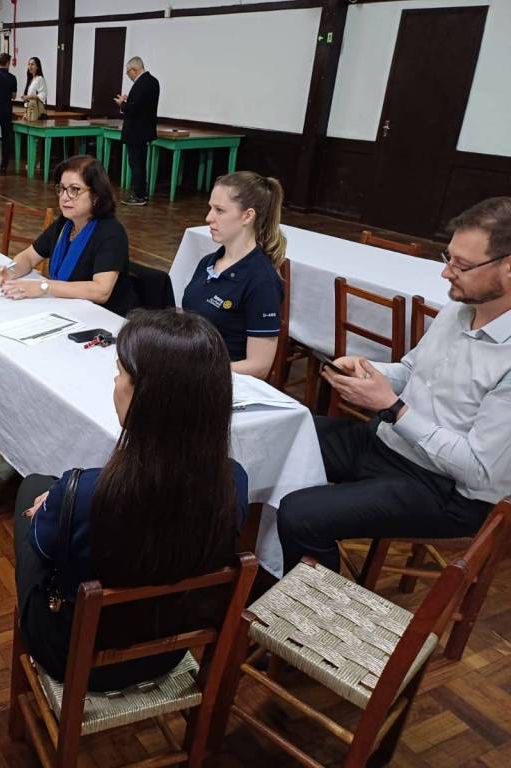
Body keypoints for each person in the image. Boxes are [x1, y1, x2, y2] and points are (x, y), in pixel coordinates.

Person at [14, 309, 248, 690]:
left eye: (120, 371)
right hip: (168, 648)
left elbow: (47, 553)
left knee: (31, 491)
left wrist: (56, 503)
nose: (115, 381)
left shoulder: (84, 493)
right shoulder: (232, 481)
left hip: (75, 655)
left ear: (146, 394)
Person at [277, 196, 511, 574]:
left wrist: (393, 408)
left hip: (446, 489)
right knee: (281, 432)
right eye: (448, 258)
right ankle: (257, 569)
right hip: (389, 443)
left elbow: (478, 470)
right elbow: (411, 370)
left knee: (301, 515)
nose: (446, 273)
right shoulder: (459, 309)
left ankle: (313, 609)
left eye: (462, 265)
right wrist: (368, 371)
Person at [0, 155, 139, 316]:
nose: (64, 197)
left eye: (74, 190)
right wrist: (10, 271)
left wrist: (43, 287)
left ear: (96, 196)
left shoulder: (111, 232)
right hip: (67, 309)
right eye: (62, 189)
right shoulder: (65, 224)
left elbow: (101, 291)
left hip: (104, 318)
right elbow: (29, 257)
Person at [179, 171, 285, 378]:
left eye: (219, 210)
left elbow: (260, 366)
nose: (208, 218)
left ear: (247, 216)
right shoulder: (208, 262)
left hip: (221, 382)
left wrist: (196, 370)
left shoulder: (262, 281)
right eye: (210, 208)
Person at [115, 56, 160, 206]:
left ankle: (139, 196)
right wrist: (128, 101)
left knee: (136, 164)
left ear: (134, 70)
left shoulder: (141, 84)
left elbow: (134, 109)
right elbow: (143, 106)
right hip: (145, 130)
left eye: (128, 72)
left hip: (135, 131)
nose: (128, 75)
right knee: (141, 163)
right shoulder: (153, 81)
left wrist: (122, 104)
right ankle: (142, 194)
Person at [21, 56, 46, 121]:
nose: (30, 66)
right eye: (29, 64)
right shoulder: (30, 80)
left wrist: (28, 97)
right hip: (29, 109)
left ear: (37, 67)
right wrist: (25, 113)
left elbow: (42, 95)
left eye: (32, 64)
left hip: (35, 109)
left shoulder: (40, 79)